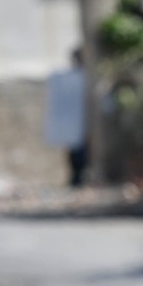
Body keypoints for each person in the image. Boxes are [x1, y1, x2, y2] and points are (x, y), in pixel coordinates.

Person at [44, 48, 88, 188]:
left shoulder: (84, 77)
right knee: (75, 152)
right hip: (74, 123)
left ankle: (79, 177)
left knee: (80, 152)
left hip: (82, 123)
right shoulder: (74, 78)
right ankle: (76, 177)